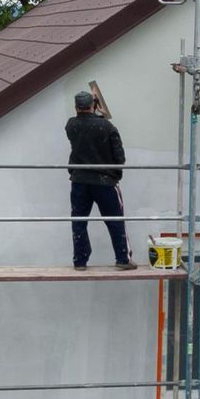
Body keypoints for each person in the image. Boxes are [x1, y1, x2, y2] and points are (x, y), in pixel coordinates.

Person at [65, 90, 138, 270]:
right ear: (93, 106)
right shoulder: (107, 127)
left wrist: (95, 110)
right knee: (115, 220)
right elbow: (119, 157)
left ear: (76, 107)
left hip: (80, 180)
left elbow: (83, 122)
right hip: (105, 181)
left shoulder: (71, 125)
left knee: (79, 220)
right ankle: (123, 259)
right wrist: (115, 175)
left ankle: (80, 261)